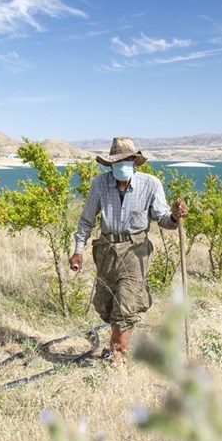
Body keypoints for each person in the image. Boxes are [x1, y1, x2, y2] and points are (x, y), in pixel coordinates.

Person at [70, 137, 188, 364]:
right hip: (106, 250)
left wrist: (174, 216)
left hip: (136, 250)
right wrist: (78, 250)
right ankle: (118, 342)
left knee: (126, 303)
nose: (122, 165)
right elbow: (86, 220)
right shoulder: (100, 184)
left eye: (126, 160)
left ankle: (117, 354)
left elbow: (163, 218)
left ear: (134, 161)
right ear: (110, 164)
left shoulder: (151, 184)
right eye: (117, 161)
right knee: (106, 305)